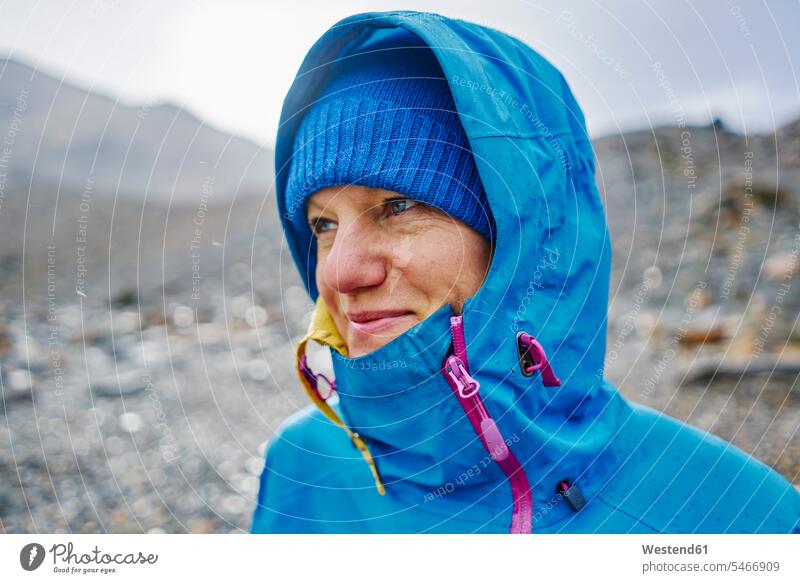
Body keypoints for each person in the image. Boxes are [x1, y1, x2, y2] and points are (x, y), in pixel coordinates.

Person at [251, 10, 800, 533]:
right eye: (323, 226)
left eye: (398, 207)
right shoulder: (299, 469)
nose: (342, 273)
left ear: (524, 240)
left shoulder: (745, 520)